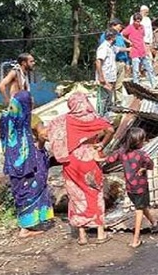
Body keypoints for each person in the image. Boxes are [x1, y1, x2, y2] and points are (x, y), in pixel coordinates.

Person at [48, 93, 114, 246]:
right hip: (90, 160)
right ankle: (100, 234)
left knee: (76, 196)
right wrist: (102, 144)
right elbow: (110, 130)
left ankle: (82, 236)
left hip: (71, 162)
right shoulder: (93, 118)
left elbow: (48, 132)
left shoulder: (63, 120)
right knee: (95, 194)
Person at [0, 91, 53, 238]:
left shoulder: (5, 117)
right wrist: (40, 146)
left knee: (20, 190)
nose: (33, 103)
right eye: (31, 101)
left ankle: (27, 224)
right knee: (34, 187)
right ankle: (27, 227)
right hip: (30, 161)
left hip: (13, 160)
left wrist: (9, 141)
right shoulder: (31, 118)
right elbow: (43, 134)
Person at [102, 127, 158, 248]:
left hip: (129, 188)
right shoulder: (141, 154)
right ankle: (135, 239)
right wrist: (144, 168)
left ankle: (154, 222)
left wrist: (98, 157)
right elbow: (151, 165)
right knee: (139, 210)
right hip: (140, 188)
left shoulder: (122, 151)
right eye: (143, 140)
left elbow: (109, 159)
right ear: (138, 142)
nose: (144, 141)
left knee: (141, 206)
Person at [95, 30, 129, 115]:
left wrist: (129, 49)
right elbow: (98, 62)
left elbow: (119, 49)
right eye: (115, 37)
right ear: (112, 37)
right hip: (105, 77)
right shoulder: (104, 47)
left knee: (109, 98)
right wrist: (101, 77)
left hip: (110, 77)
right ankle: (101, 115)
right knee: (103, 98)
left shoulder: (111, 47)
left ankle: (106, 114)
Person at [122, 12, 156, 88]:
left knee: (149, 68)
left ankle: (154, 84)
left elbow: (142, 39)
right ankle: (136, 85)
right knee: (136, 70)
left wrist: (146, 50)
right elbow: (122, 35)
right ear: (133, 21)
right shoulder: (130, 28)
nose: (138, 23)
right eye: (137, 21)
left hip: (142, 51)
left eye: (139, 21)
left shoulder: (142, 27)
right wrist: (129, 42)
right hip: (134, 51)